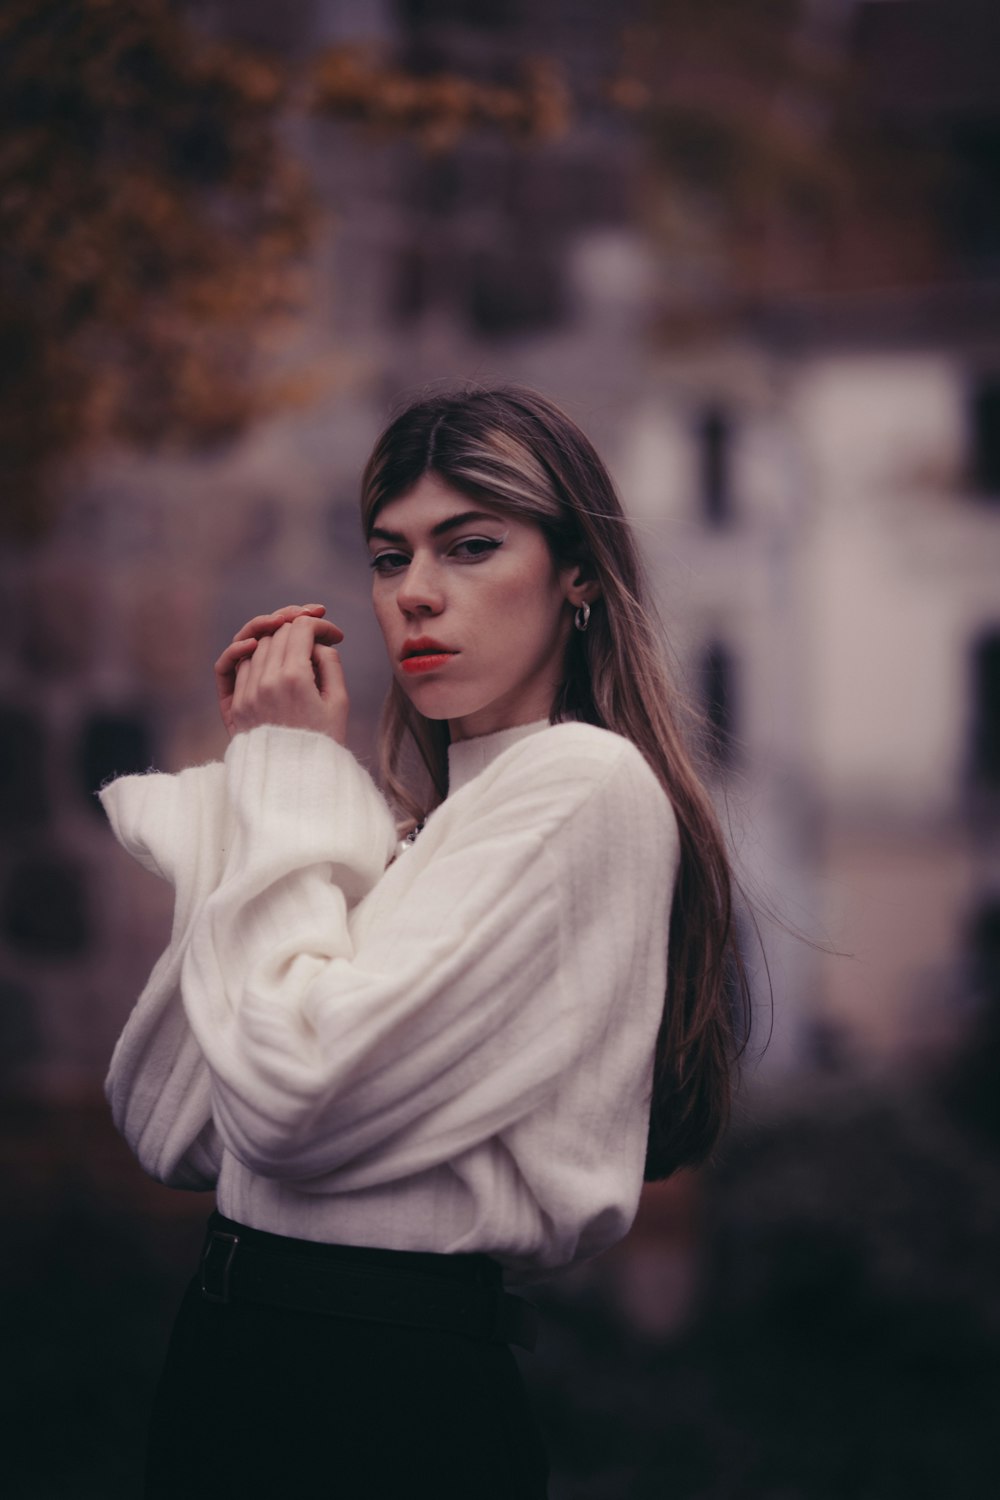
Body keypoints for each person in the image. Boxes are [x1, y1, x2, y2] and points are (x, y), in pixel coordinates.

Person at [100, 384, 750, 1498]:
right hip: (228, 1354)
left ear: (577, 573)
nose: (418, 595)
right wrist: (269, 791)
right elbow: (174, 1122)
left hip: (385, 1393)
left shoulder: (583, 784)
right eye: (390, 556)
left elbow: (290, 1101)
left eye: (470, 545)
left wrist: (292, 780)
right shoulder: (409, 835)